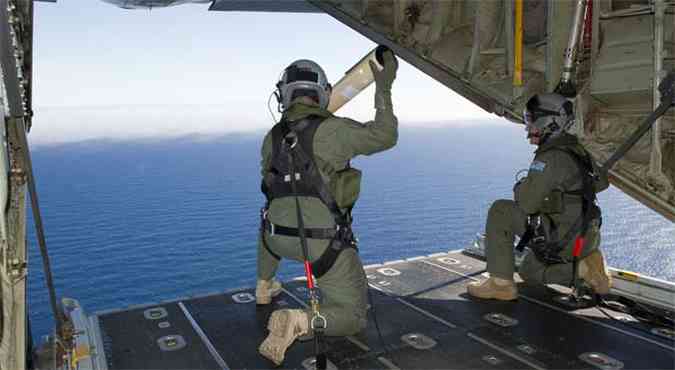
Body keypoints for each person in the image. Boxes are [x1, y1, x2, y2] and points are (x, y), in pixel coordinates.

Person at [255, 50, 399, 365]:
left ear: (284, 96)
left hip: (276, 239)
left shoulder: (271, 137)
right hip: (323, 247)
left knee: (267, 213)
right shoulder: (333, 131)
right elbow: (386, 136)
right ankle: (300, 322)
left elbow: (273, 189)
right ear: (322, 94)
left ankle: (263, 286)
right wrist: (383, 86)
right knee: (354, 316)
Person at [468, 92, 612, 301]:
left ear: (550, 123)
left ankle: (500, 285)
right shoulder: (579, 149)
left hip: (561, 239)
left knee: (500, 210)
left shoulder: (549, 158)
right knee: (529, 273)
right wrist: (558, 196)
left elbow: (526, 203)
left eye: (531, 121)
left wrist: (521, 187)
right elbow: (601, 182)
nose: (528, 128)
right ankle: (583, 269)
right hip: (585, 237)